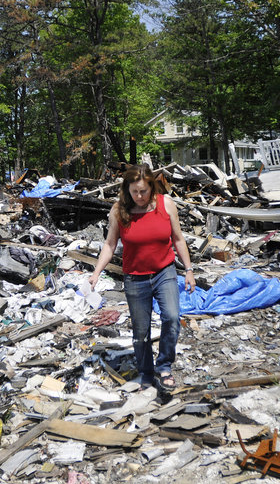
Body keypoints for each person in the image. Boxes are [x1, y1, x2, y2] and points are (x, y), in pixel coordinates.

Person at [88, 164, 196, 391]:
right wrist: (96, 272)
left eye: (143, 191)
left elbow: (178, 239)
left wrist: (188, 270)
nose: (139, 196)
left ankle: (164, 365)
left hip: (164, 272)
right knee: (141, 331)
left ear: (152, 187)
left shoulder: (165, 204)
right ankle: (147, 372)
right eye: (134, 191)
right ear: (126, 189)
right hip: (135, 278)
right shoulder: (119, 211)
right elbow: (110, 244)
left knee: (172, 317)